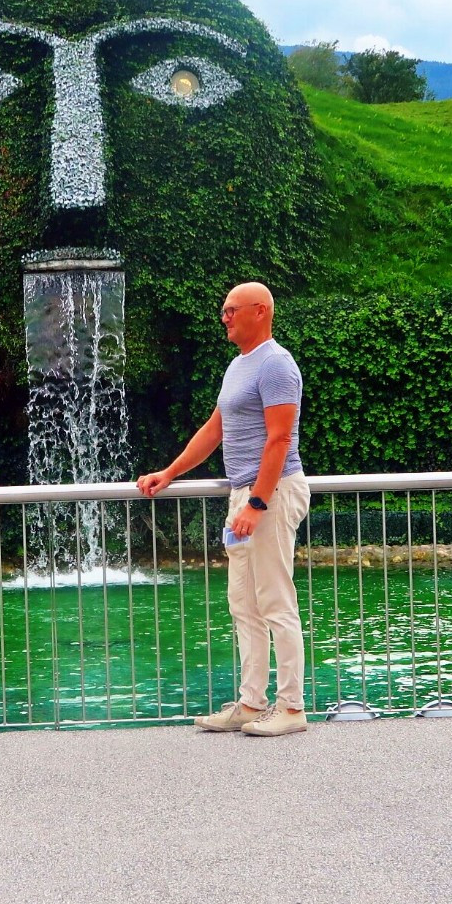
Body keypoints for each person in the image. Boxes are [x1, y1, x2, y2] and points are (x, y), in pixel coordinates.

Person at [136, 281, 311, 736]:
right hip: (245, 495)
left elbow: (279, 439)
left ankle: (291, 709)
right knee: (244, 605)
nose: (224, 316)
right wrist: (169, 473)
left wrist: (257, 501)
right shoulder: (237, 366)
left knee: (275, 601)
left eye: (232, 309)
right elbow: (214, 430)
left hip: (268, 495)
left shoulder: (276, 365)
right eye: (223, 309)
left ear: (260, 311)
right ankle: (252, 704)